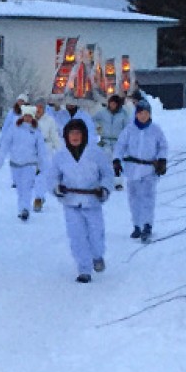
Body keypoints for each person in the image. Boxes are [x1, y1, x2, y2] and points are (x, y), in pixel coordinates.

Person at [46, 119, 112, 283]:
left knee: (96, 235)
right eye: (71, 133)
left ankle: (97, 256)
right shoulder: (60, 156)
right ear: (66, 136)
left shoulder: (96, 153)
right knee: (77, 237)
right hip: (71, 202)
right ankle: (84, 269)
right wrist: (57, 188)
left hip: (92, 201)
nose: (74, 136)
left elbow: (107, 174)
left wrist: (103, 189)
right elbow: (52, 177)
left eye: (78, 133)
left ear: (84, 135)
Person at [113, 98, 168, 243]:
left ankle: (147, 225)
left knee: (148, 198)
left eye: (146, 113)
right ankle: (137, 225)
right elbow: (120, 146)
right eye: (140, 113)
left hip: (149, 169)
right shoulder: (129, 130)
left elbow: (163, 146)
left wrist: (162, 160)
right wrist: (116, 160)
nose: (143, 116)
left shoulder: (156, 130)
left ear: (149, 114)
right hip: (132, 169)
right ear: (136, 114)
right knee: (134, 199)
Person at [0, 105, 47, 221]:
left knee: (27, 187)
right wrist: (0, 160)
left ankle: (25, 209)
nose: (27, 118)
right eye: (25, 116)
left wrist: (43, 165)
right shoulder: (14, 128)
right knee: (20, 188)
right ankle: (21, 208)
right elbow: (6, 144)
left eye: (29, 116)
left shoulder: (36, 131)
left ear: (32, 118)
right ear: (22, 116)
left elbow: (41, 149)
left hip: (30, 163)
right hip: (15, 163)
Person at [94, 94, 131, 191]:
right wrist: (98, 127)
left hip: (117, 142)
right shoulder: (102, 113)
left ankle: (118, 182)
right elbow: (93, 120)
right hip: (105, 140)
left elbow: (127, 128)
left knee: (117, 161)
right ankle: (103, 181)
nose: (112, 105)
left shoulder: (123, 114)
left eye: (114, 104)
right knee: (104, 160)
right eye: (111, 103)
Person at [32, 99, 61, 212]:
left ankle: (38, 198)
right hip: (32, 150)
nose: (38, 109)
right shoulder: (30, 119)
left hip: (46, 149)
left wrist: (60, 152)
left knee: (42, 175)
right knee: (33, 176)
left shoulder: (50, 120)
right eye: (37, 107)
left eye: (41, 107)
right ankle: (39, 195)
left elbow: (55, 136)